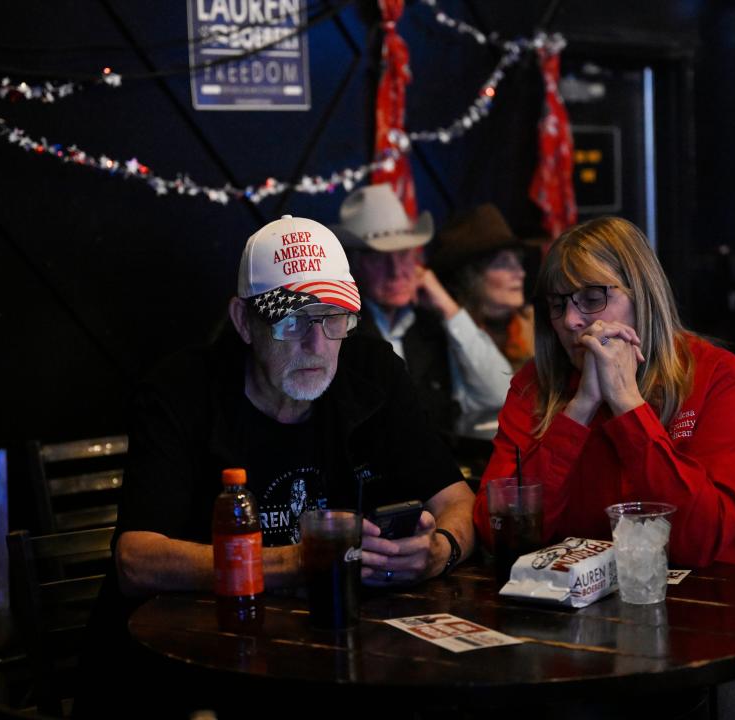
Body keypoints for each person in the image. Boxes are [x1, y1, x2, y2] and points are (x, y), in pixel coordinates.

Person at [78, 215, 474, 716]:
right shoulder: (180, 391)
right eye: (291, 320)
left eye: (333, 317)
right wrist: (303, 561)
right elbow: (136, 560)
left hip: (335, 658)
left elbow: (457, 500)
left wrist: (441, 549)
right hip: (184, 671)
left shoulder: (373, 372)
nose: (316, 345)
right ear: (244, 322)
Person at [472, 216, 735, 720]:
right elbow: (499, 532)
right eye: (558, 304)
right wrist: (580, 409)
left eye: (592, 297)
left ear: (642, 294)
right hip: (583, 627)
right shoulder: (533, 389)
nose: (572, 321)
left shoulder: (720, 378)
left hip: (725, 625)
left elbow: (697, 540)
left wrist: (628, 404)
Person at [334, 184, 512, 429]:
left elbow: (500, 395)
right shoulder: (337, 331)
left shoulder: (432, 325)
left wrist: (449, 308)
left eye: (404, 254)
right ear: (353, 265)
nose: (396, 270)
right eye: (378, 257)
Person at [432, 203, 534, 372]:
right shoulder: (444, 337)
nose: (520, 273)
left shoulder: (539, 328)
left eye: (518, 261)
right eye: (503, 263)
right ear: (472, 277)